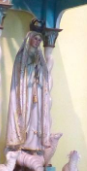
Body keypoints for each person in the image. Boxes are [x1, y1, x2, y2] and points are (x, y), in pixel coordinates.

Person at [5, 20, 51, 153]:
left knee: (36, 117)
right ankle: (21, 144)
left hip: (36, 92)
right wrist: (32, 66)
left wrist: (39, 69)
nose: (37, 42)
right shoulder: (21, 56)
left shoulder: (39, 56)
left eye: (39, 40)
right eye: (35, 39)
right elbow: (21, 74)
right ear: (29, 38)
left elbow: (44, 75)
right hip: (24, 92)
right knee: (25, 117)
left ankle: (33, 145)